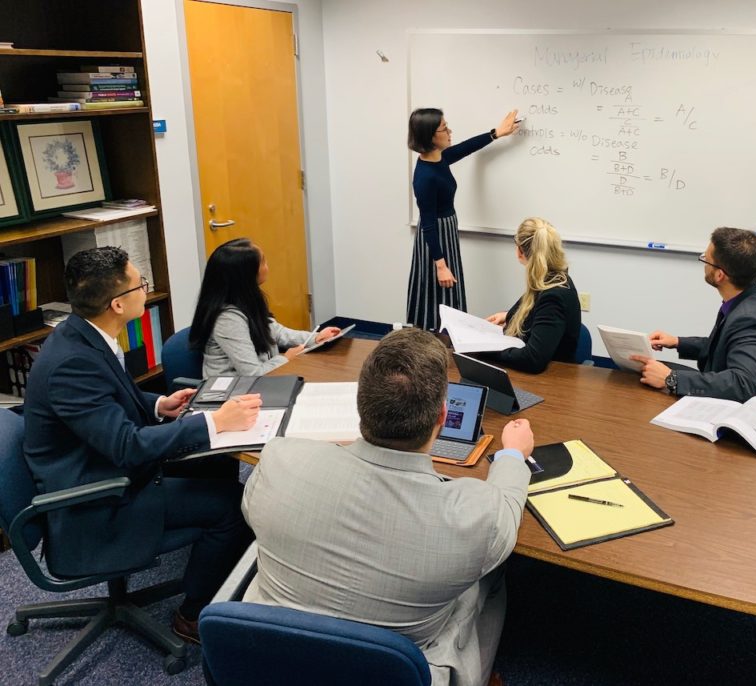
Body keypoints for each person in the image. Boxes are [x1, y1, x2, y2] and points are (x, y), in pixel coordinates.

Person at [241, 328, 534, 686]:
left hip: (271, 661)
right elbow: (506, 508)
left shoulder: (278, 459)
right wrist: (512, 455)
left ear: (360, 404)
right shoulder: (475, 516)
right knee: (491, 574)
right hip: (398, 667)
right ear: (442, 416)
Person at [23, 246, 259, 643]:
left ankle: (215, 575)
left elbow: (109, 406)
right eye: (140, 285)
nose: (145, 291)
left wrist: (158, 404)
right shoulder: (72, 364)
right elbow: (127, 447)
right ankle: (192, 614)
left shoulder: (84, 335)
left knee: (216, 463)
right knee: (234, 505)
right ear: (118, 303)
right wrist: (213, 421)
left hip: (105, 464)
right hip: (95, 496)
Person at [630, 227, 756, 401]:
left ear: (720, 275)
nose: (704, 263)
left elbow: (744, 384)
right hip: (729, 388)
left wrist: (671, 379)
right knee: (643, 369)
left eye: (706, 259)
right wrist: (678, 342)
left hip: (745, 410)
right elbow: (727, 346)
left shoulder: (750, 320)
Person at [407, 107, 520, 331]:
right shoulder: (425, 176)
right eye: (444, 128)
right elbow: (428, 223)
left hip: (445, 232)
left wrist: (496, 133)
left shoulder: (439, 158)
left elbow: (465, 148)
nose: (450, 131)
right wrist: (440, 265)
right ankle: (433, 342)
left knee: (448, 293)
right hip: (434, 239)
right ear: (430, 136)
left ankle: (448, 337)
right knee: (436, 294)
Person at [190, 238, 341, 377]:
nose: (267, 267)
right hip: (231, 395)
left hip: (261, 383)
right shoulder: (227, 319)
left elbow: (278, 333)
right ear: (246, 275)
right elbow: (253, 373)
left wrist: (316, 338)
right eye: (262, 262)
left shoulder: (247, 301)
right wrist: (286, 358)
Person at [483, 217, 581, 373]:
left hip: (553, 381)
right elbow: (537, 311)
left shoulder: (553, 295)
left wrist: (486, 349)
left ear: (520, 251)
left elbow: (532, 359)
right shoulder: (553, 279)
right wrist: (509, 315)